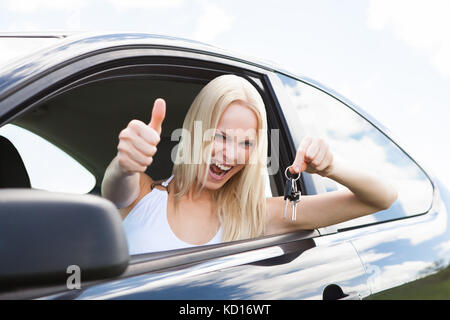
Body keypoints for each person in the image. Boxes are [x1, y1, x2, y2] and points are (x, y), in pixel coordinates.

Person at [101, 74, 397, 255]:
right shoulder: (141, 192)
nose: (231, 154)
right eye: (220, 136)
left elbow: (383, 198)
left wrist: (331, 168)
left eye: (246, 143)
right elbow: (116, 186)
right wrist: (125, 163)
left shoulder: (256, 216)